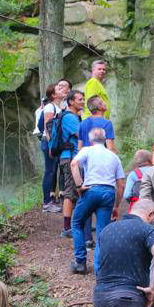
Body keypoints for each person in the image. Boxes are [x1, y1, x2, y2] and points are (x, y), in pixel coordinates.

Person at [70, 127, 126, 274]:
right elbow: (121, 184)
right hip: (108, 192)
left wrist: (79, 185)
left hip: (91, 190)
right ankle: (99, 269)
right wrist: (116, 206)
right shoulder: (114, 156)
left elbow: (73, 164)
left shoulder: (87, 150)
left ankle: (80, 262)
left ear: (90, 140)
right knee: (102, 231)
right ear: (106, 140)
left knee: (77, 222)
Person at [57, 89, 84, 238]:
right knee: (70, 192)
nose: (82, 102)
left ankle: (78, 224)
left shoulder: (74, 116)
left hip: (73, 157)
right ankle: (67, 228)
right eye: (80, 99)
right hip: (69, 158)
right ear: (71, 102)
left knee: (77, 190)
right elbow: (81, 135)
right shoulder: (70, 118)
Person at [41, 79, 72, 211]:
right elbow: (47, 128)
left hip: (56, 144)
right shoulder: (50, 107)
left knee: (53, 170)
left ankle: (51, 201)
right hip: (49, 143)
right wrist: (51, 146)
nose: (62, 90)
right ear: (53, 95)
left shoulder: (60, 107)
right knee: (49, 172)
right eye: (58, 89)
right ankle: (47, 203)